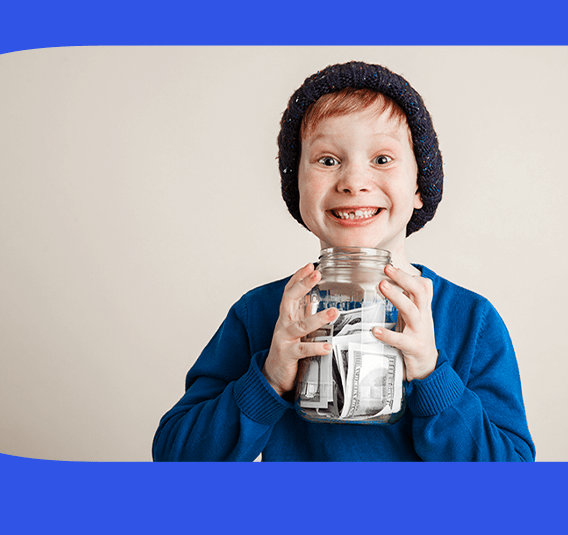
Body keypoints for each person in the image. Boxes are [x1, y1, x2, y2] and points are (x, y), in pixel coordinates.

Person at [152, 61, 536, 461]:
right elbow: (175, 458)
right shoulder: (262, 314)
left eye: (382, 159)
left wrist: (431, 373)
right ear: (296, 188)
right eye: (328, 160)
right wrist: (268, 377)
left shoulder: (470, 320)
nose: (353, 181)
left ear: (420, 186)